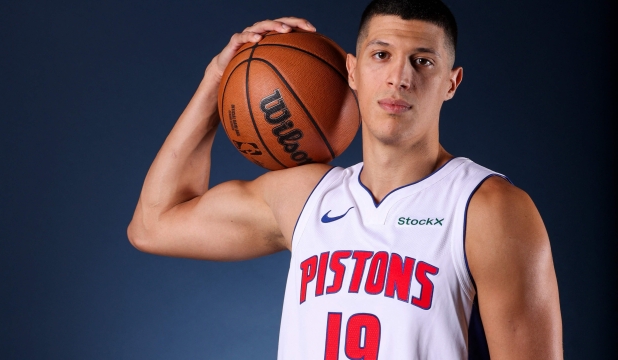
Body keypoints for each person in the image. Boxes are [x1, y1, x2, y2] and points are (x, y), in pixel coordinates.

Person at [127, 0, 563, 358]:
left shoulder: (488, 209)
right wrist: (216, 81)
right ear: (351, 70)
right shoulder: (305, 198)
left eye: (423, 61)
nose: (399, 77)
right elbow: (153, 224)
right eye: (381, 55)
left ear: (451, 82)